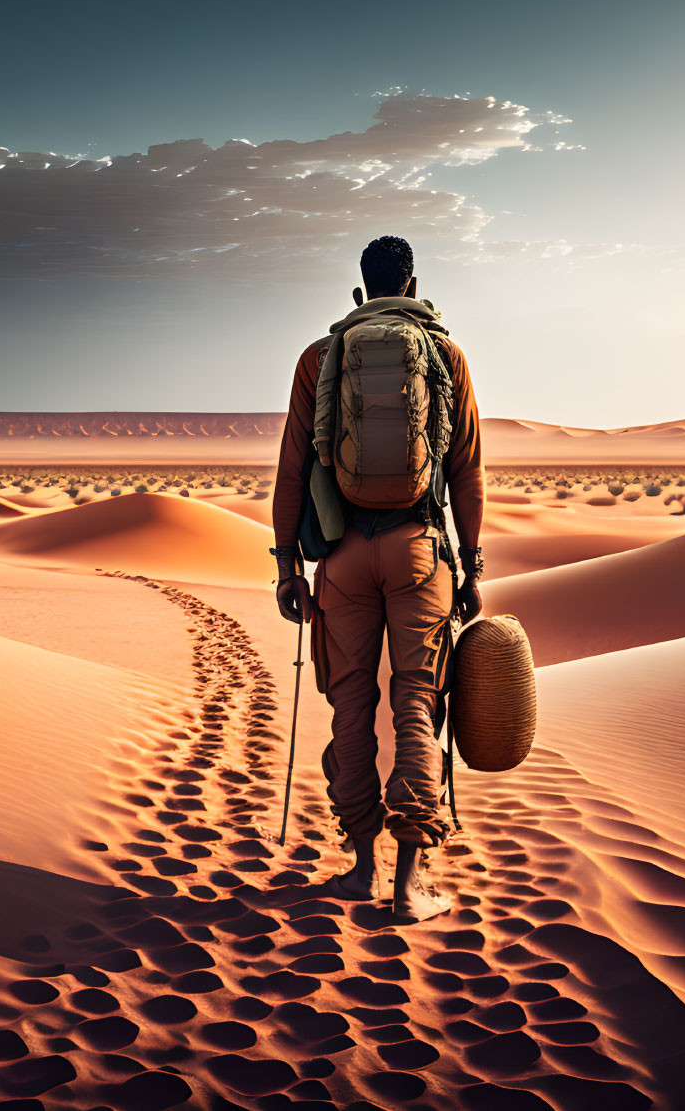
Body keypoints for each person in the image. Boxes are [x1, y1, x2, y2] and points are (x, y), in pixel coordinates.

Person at [270, 235, 484, 922]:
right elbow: (466, 470)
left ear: (360, 291)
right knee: (416, 704)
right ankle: (409, 883)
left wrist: (285, 565)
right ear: (413, 284)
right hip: (417, 550)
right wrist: (470, 564)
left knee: (351, 707)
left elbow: (291, 469)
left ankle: (360, 868)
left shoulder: (320, 357)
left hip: (339, 558)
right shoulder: (443, 354)